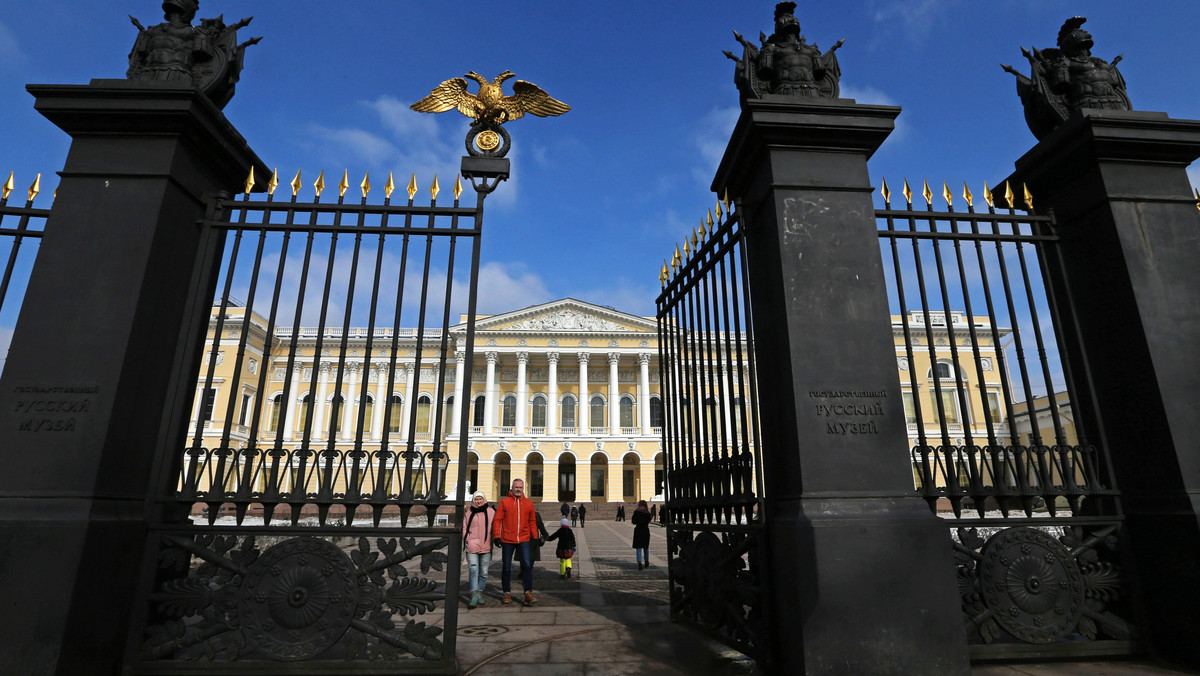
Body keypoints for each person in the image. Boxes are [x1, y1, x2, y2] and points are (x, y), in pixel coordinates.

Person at [491, 478, 538, 606]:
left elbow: (532, 521)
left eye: (520, 487)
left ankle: (528, 593)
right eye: (516, 487)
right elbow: (497, 520)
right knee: (506, 567)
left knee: (527, 565)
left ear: (523, 489)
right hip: (507, 539)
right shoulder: (505, 502)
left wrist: (535, 536)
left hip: (523, 538)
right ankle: (506, 593)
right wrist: (496, 536)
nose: (518, 489)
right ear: (512, 488)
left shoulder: (528, 503)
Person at [461, 490, 495, 608]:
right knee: (473, 570)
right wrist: (467, 540)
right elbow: (464, 527)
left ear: (484, 499)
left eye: (480, 498)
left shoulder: (491, 512)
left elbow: (495, 526)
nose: (478, 501)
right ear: (473, 500)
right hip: (472, 545)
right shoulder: (469, 512)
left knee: (484, 572)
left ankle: (480, 592)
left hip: (486, 546)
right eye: (476, 499)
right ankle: (474, 595)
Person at [631, 500, 652, 570]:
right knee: (646, 547)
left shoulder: (637, 512)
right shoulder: (648, 513)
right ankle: (646, 561)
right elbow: (649, 520)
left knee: (639, 547)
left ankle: (639, 562)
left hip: (638, 530)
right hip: (646, 530)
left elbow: (633, 521)